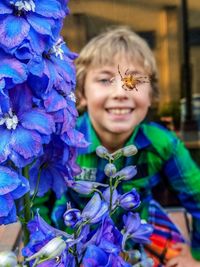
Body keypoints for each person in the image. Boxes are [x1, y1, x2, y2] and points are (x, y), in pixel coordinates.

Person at [52, 26, 200, 266]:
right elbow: (38, 200)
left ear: (151, 95)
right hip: (74, 238)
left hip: (138, 234)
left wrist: (195, 257)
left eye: (134, 80)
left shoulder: (163, 144)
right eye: (105, 80)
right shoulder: (64, 140)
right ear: (82, 93)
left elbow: (198, 196)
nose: (121, 92)